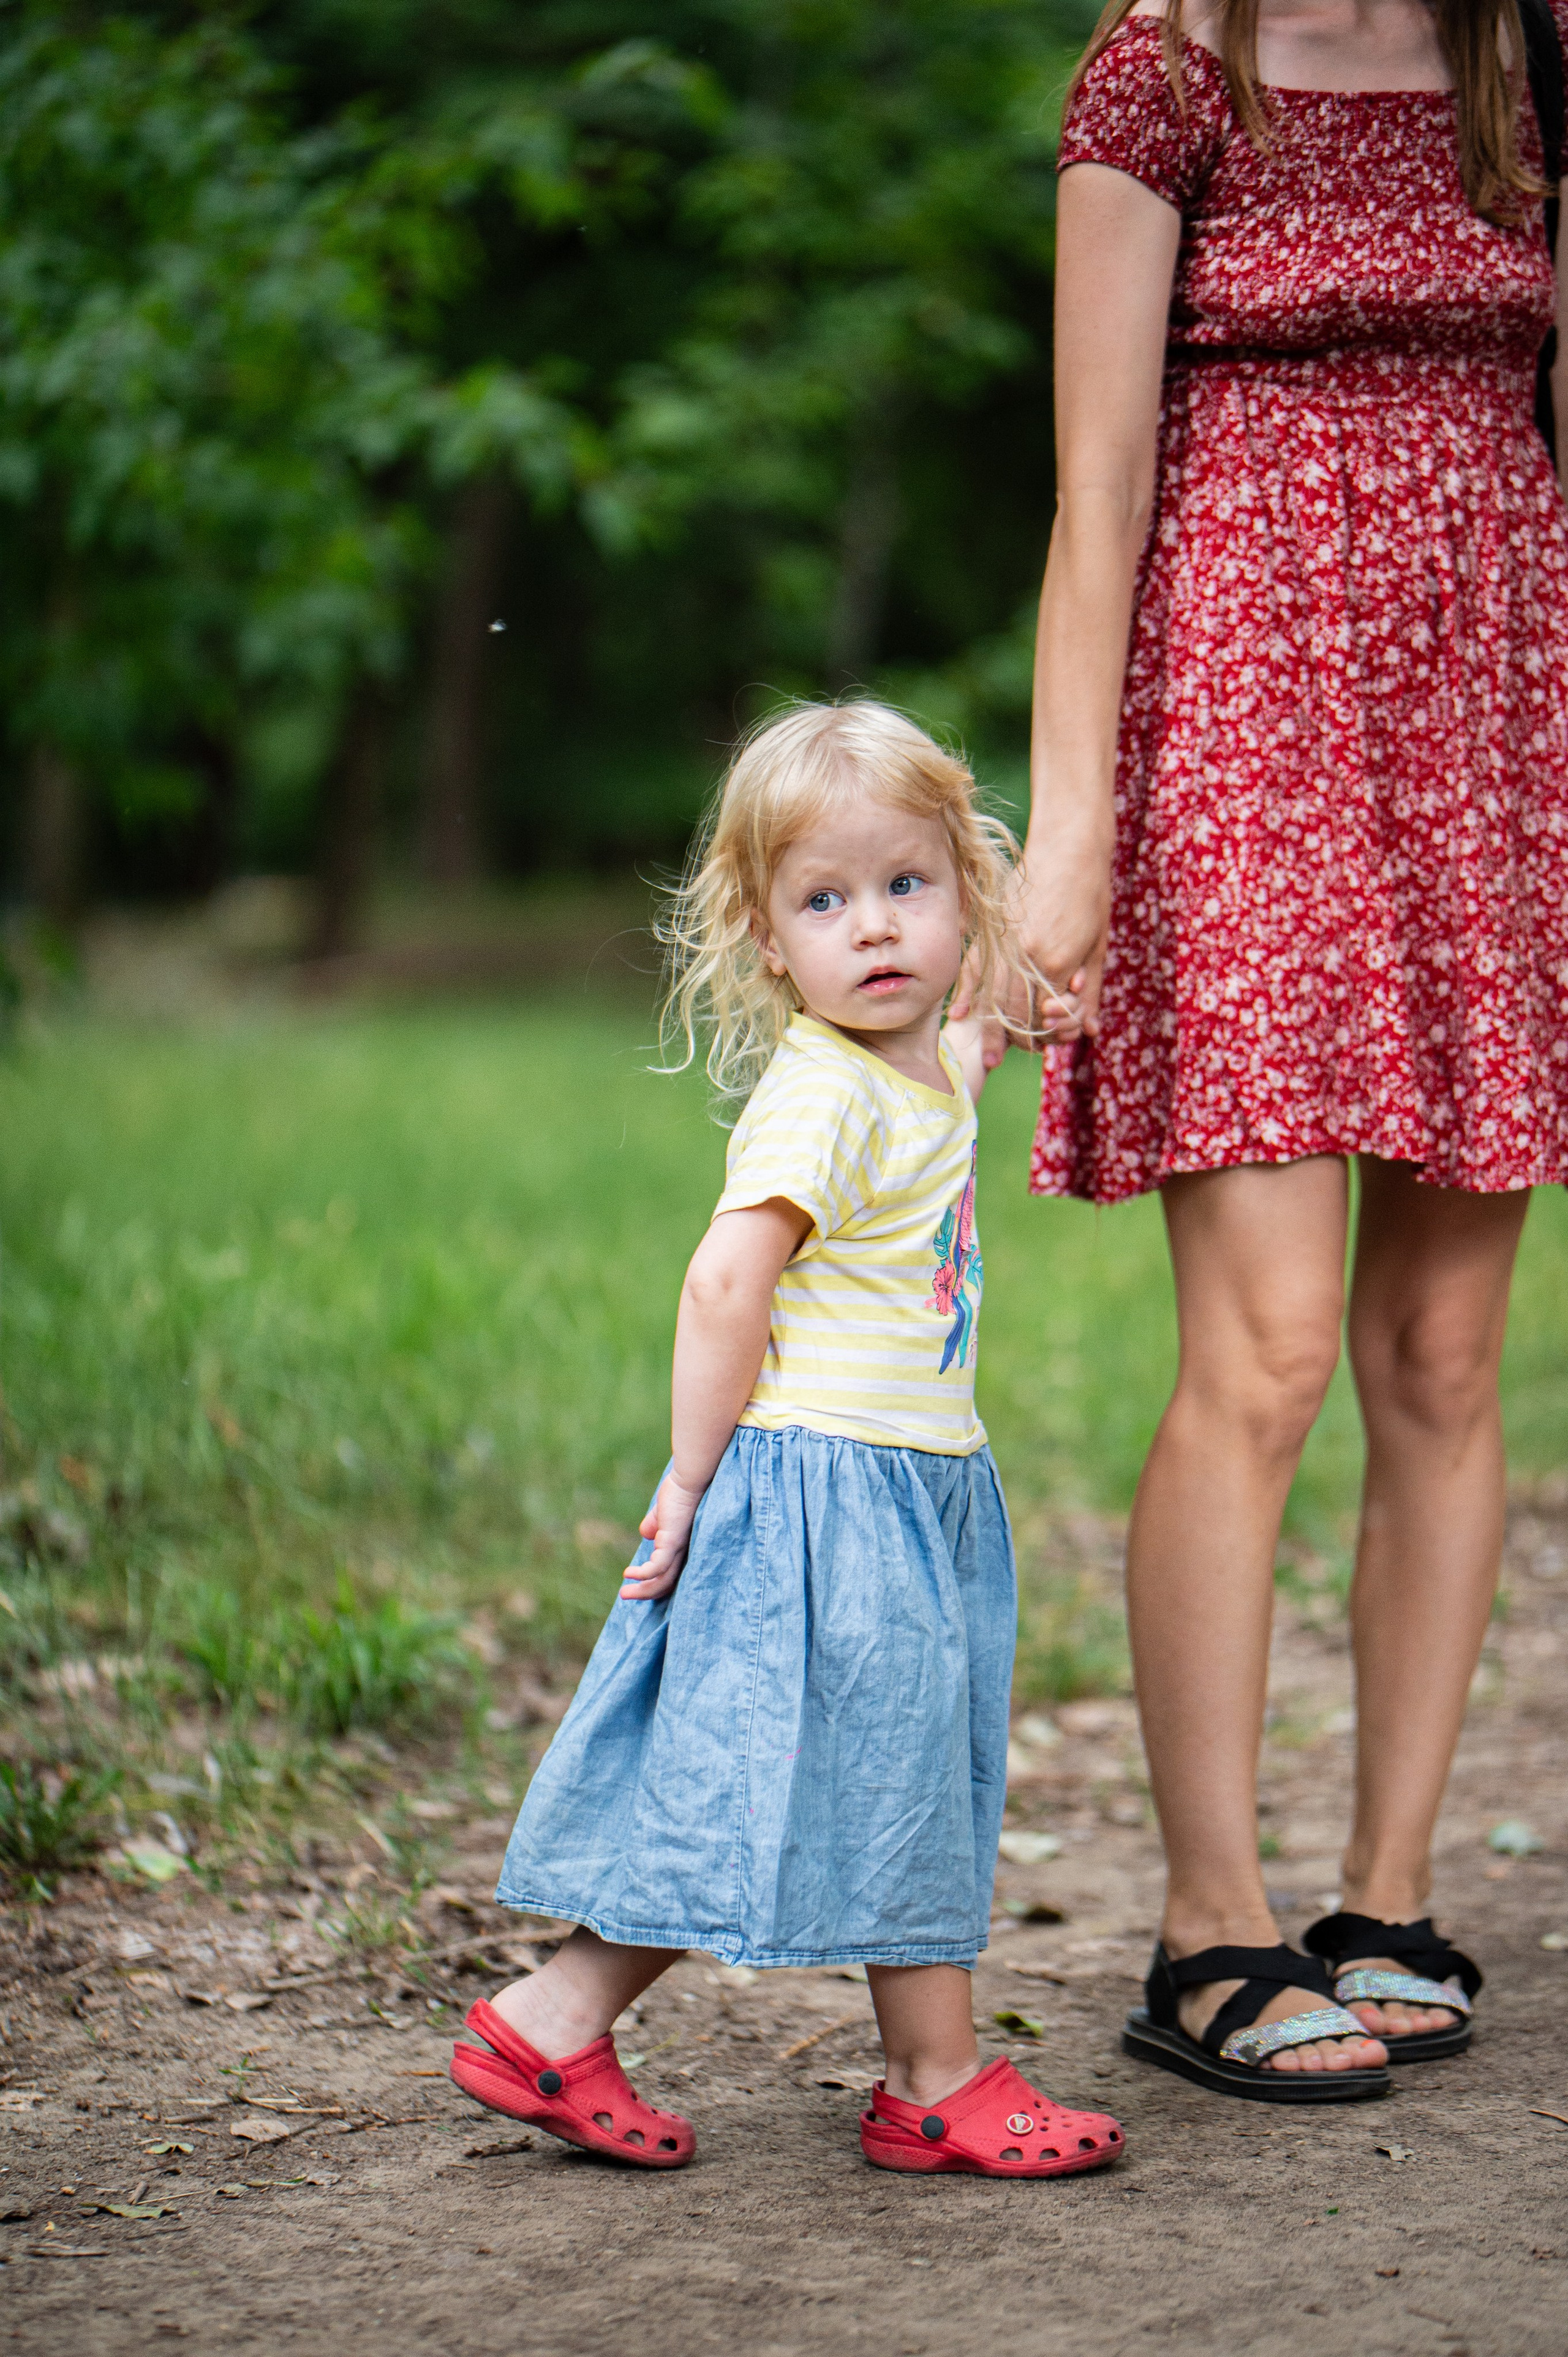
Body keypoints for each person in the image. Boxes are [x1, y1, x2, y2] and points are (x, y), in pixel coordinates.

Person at [1005, 0, 1568, 2099]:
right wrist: (1072, 837)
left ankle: (1388, 1892)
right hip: (1250, 713)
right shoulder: (1165, 72)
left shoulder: (1531, 65)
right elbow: (1093, 479)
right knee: (1269, 1344)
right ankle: (1209, 1920)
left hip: (1491, 717)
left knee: (1444, 1353)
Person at [450, 700, 1125, 2176]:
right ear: (768, 942)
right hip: (826, 1488)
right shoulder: (818, 1095)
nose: (872, 930)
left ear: (962, 891)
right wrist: (693, 1478)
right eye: (824, 902)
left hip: (910, 1484)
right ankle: (925, 2077)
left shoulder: (921, 1059)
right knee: (836, 1769)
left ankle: (570, 2022)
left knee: (869, 1770)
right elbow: (722, 1279)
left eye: (905, 887)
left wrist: (1026, 982)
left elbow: (976, 1024)